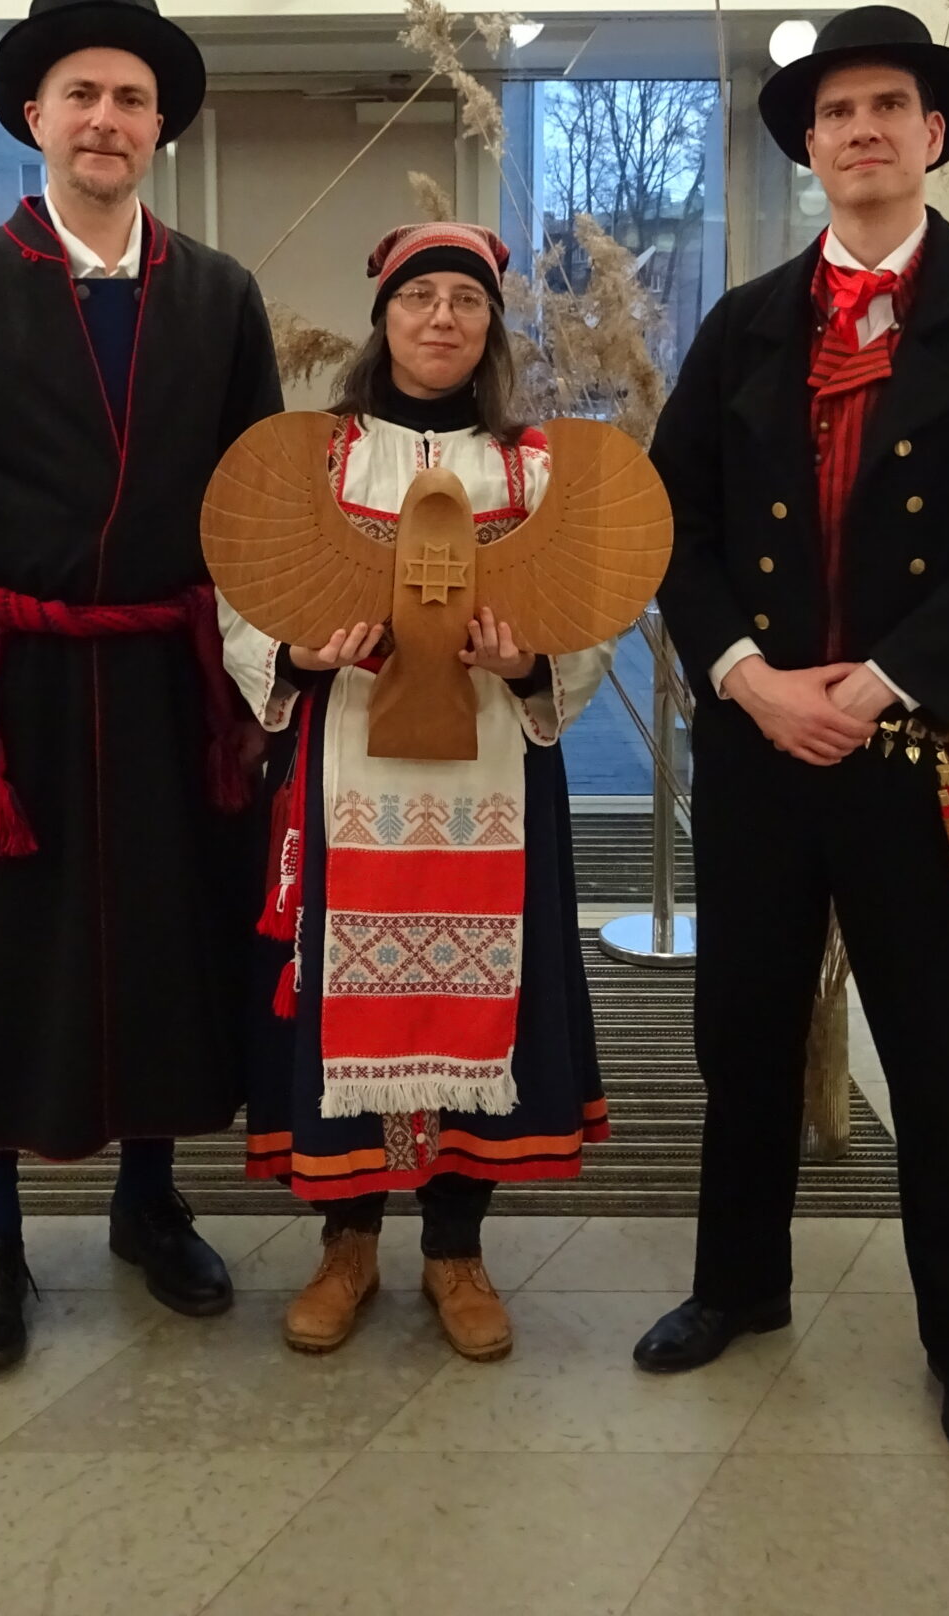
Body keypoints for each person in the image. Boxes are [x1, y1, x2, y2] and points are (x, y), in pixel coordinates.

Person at [637, 6, 949, 1469]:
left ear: (932, 132)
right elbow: (672, 521)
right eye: (837, 113)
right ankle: (738, 1286)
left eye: (889, 105)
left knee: (936, 1056)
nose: (863, 131)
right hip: (761, 747)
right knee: (742, 1035)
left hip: (917, 754)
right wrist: (747, 676)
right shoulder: (747, 321)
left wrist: (884, 682)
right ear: (812, 148)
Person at [0, 0, 283, 1374]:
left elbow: (258, 513)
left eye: (131, 97)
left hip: (171, 683)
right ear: (34, 116)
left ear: (160, 126)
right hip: (13, 691)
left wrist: (259, 690)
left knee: (167, 945)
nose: (106, 118)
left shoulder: (219, 297)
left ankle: (149, 1201)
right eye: (81, 94)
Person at [223, 222, 615, 1363]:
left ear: (491, 325)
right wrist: (296, 652)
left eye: (466, 300)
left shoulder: (533, 468)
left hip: (493, 779)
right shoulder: (316, 460)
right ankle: (346, 1246)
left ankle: (456, 1250)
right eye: (419, 297)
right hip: (348, 769)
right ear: (382, 316)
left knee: (481, 1000)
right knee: (341, 995)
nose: (442, 317)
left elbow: (585, 611)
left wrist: (531, 661)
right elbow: (246, 594)